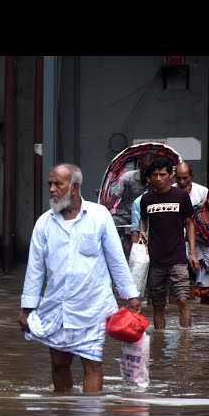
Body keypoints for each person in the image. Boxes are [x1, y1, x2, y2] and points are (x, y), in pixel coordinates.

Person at [18, 163, 142, 394]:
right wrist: (27, 308)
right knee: (59, 364)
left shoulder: (99, 215)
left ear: (74, 188)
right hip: (57, 307)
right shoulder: (44, 223)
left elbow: (116, 258)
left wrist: (130, 295)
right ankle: (64, 406)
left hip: (93, 306)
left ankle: (90, 410)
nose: (52, 189)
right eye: (50, 184)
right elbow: (35, 268)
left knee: (92, 363)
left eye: (58, 184)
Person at [139, 157, 199, 330]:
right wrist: (142, 229)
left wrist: (192, 253)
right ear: (150, 177)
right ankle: (159, 346)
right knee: (158, 305)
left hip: (177, 257)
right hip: (156, 260)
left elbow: (189, 223)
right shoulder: (146, 199)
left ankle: (185, 343)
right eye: (155, 175)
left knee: (183, 299)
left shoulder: (180, 196)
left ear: (170, 175)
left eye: (162, 174)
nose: (158, 178)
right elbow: (143, 219)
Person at [105, 153, 154, 260]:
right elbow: (114, 197)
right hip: (124, 215)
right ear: (140, 166)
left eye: (150, 169)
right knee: (109, 227)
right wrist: (101, 213)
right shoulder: (128, 177)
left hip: (143, 217)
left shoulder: (155, 180)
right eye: (145, 168)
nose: (147, 172)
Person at [173, 162, 208, 297]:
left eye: (185, 178)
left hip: (197, 241)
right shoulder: (169, 192)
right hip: (176, 241)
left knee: (194, 277)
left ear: (191, 176)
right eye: (178, 178)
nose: (182, 182)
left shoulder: (202, 192)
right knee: (174, 280)